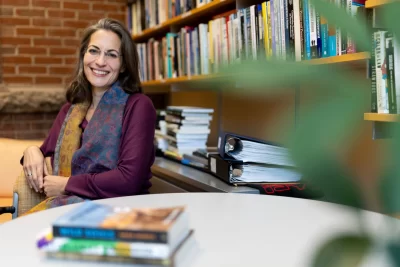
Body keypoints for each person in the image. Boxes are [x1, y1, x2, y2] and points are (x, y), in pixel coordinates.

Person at [20, 18, 157, 215]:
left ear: (124, 65)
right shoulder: (70, 110)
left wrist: (67, 184)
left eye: (111, 55)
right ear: (84, 55)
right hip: (65, 209)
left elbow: (130, 180)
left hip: (123, 213)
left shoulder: (138, 106)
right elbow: (46, 154)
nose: (100, 62)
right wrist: (31, 149)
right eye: (94, 51)